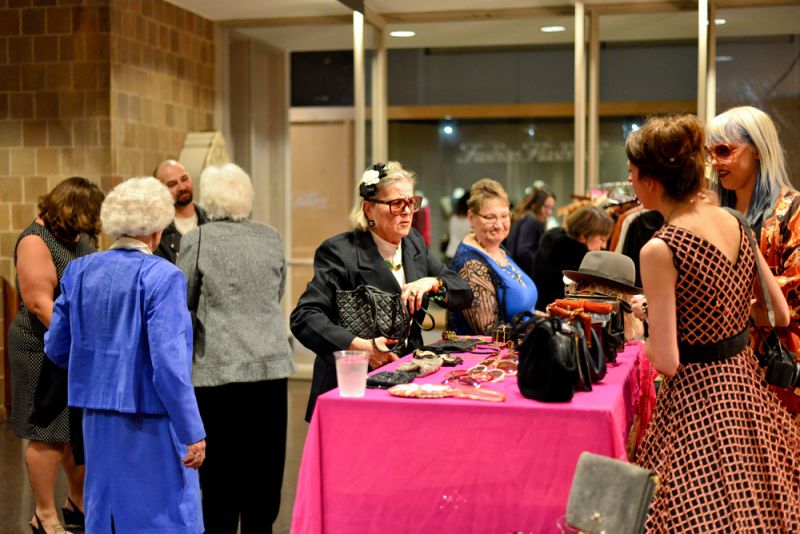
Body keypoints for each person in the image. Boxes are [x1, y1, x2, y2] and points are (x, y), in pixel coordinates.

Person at [627, 114, 800, 531]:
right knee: (760, 507)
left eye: (632, 175)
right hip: (746, 391)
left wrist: (641, 329)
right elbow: (779, 313)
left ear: (652, 182)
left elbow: (666, 361)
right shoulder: (734, 222)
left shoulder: (660, 247)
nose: (630, 183)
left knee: (685, 514)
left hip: (695, 404)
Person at [44, 176, 206, 533]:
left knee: (107, 514)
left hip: (95, 416)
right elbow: (169, 366)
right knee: (163, 516)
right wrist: (192, 430)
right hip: (150, 416)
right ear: (156, 229)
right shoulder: (164, 277)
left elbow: (56, 345)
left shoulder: (80, 270)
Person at [291, 161, 472, 421]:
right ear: (369, 209)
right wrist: (357, 347)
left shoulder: (413, 244)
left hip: (405, 379)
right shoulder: (340, 252)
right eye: (398, 203)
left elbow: (463, 292)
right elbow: (304, 317)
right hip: (352, 387)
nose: (408, 211)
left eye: (411, 202)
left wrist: (433, 282)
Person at [177, 163, 295, 533]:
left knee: (221, 474)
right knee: (265, 466)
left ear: (209, 200)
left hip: (217, 368)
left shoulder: (198, 238)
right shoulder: (271, 236)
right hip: (270, 366)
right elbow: (276, 292)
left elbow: (184, 298)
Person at [8, 177, 103, 534]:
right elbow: (38, 303)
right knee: (47, 430)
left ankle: (76, 503)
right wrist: (80, 339)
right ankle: (44, 515)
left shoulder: (81, 238)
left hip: (76, 345)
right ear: (69, 211)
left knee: (75, 429)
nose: (91, 226)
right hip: (40, 345)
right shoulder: (36, 240)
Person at [707, 105, 800, 418]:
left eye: (724, 150)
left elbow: (788, 304)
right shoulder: (715, 215)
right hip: (724, 373)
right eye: (711, 153)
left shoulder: (793, 212)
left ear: (758, 150)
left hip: (780, 375)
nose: (715, 162)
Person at [449, 179, 538, 335]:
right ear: (471, 218)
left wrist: (542, 318)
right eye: (490, 217)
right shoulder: (471, 266)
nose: (499, 224)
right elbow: (490, 333)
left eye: (504, 216)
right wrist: (539, 328)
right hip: (489, 357)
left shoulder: (499, 249)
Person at [532, 205, 613, 310]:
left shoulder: (552, 245)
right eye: (602, 239)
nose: (604, 246)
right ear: (582, 236)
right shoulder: (577, 264)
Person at [153, 159, 208, 263]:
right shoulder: (157, 234)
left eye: (184, 179)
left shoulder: (212, 221)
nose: (182, 187)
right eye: (172, 184)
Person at [505, 186, 556, 278]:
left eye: (551, 208)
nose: (549, 212)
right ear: (535, 205)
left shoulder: (526, 218)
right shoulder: (531, 221)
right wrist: (542, 268)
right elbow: (524, 251)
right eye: (546, 207)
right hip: (524, 276)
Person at [444, 190, 471, 261]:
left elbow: (449, 235)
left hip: (450, 253)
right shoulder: (471, 221)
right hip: (463, 256)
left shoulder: (453, 218)